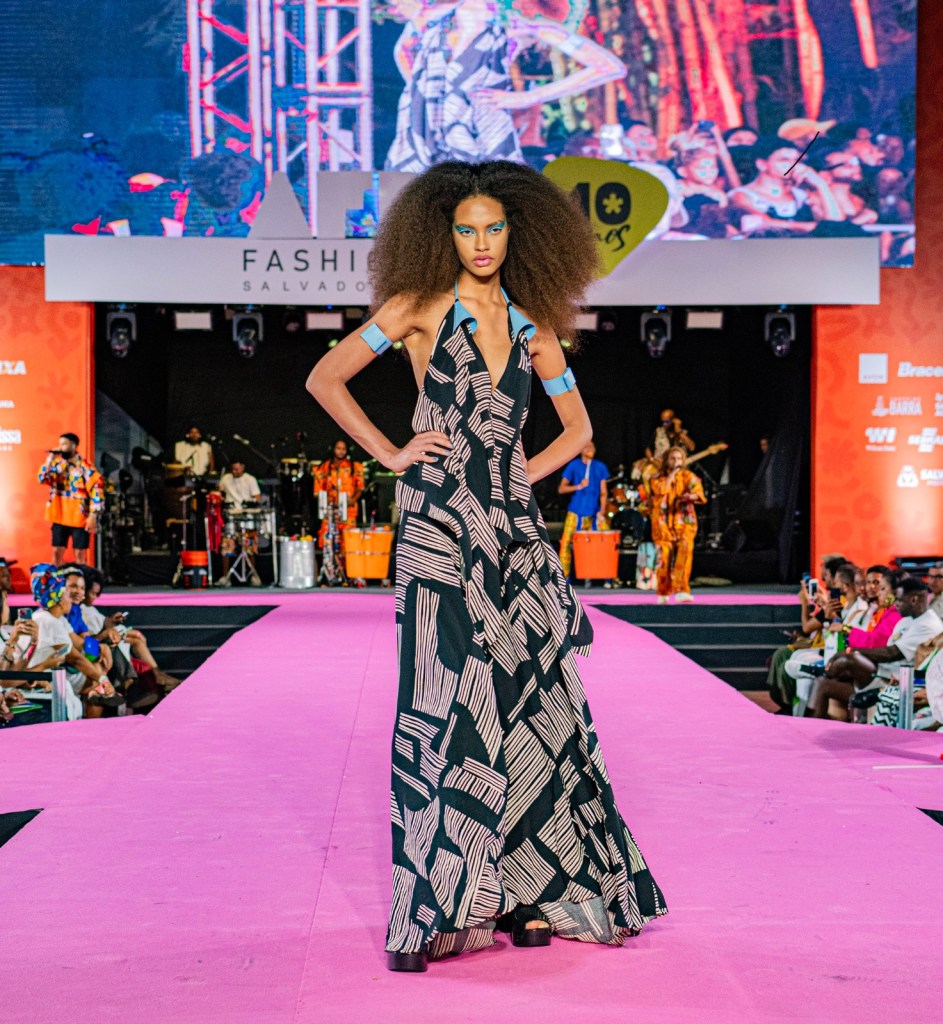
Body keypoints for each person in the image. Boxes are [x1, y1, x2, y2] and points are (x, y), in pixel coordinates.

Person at [306, 160, 666, 972]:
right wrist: (391, 453)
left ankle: (529, 894)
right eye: (465, 229)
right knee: (444, 705)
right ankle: (441, 905)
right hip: (438, 527)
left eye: (493, 228)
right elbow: (325, 378)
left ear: (518, 233)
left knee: (530, 706)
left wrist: (513, 476)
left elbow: (578, 432)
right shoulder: (415, 307)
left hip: (512, 537)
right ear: (441, 233)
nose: (479, 243)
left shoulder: (534, 328)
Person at [641, 447, 706, 604]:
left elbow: (699, 492)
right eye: (673, 458)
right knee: (664, 557)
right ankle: (663, 591)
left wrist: (692, 496)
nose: (676, 462)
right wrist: (671, 476)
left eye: (679, 459)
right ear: (666, 460)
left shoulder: (688, 476)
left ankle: (682, 590)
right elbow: (660, 490)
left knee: (685, 551)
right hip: (662, 522)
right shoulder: (656, 478)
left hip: (684, 520)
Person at [37, 433, 105, 565]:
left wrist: (93, 515)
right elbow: (42, 478)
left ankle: (81, 578)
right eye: (60, 444)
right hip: (59, 515)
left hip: (79, 517)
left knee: (79, 554)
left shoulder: (86, 467)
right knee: (56, 552)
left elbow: (97, 490)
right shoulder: (56, 465)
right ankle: (59, 578)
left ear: (74, 446)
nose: (60, 447)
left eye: (64, 444)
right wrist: (49, 459)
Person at [557, 441, 609, 578]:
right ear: (580, 450)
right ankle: (563, 577)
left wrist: (602, 510)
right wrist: (579, 486)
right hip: (575, 512)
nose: (590, 448)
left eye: (592, 446)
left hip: (594, 513)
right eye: (586, 446)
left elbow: (604, 492)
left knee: (607, 540)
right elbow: (561, 488)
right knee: (566, 543)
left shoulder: (600, 467)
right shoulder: (573, 465)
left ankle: (608, 577)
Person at [217, 459, 263, 587]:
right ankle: (225, 577)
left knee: (250, 545)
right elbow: (219, 492)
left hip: (247, 515)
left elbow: (257, 496)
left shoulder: (250, 479)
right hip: (231, 515)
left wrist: (252, 501)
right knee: (227, 545)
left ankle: (253, 575)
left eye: (237, 469)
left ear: (243, 467)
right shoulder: (226, 478)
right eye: (233, 469)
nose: (235, 472)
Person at [312, 440, 363, 546]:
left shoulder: (354, 467)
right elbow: (318, 490)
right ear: (333, 449)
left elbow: (360, 488)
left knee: (349, 542)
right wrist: (326, 500)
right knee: (326, 541)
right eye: (338, 448)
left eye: (343, 449)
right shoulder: (323, 467)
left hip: (348, 511)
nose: (341, 451)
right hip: (329, 511)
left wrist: (353, 500)